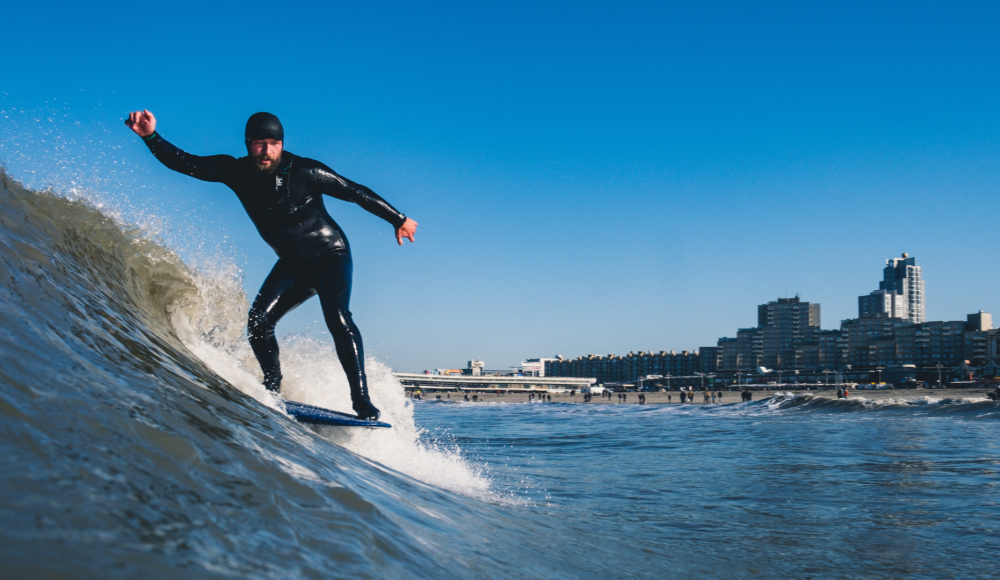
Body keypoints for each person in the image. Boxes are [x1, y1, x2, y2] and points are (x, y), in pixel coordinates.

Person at [126, 110, 417, 421]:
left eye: (274, 143)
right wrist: (150, 137)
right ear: (248, 144)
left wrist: (398, 219)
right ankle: (272, 388)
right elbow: (186, 162)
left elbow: (355, 191)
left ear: (282, 143)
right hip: (292, 263)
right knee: (258, 323)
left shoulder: (305, 170)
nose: (267, 151)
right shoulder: (235, 170)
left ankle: (362, 403)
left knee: (337, 317)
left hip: (329, 255)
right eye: (259, 144)